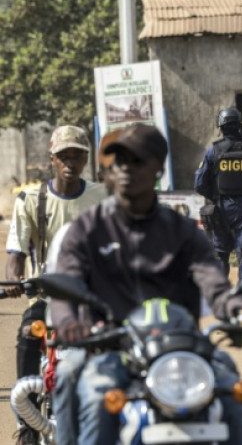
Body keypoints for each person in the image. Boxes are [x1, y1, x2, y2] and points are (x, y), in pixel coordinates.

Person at [49, 124, 242, 445]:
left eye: (139, 162)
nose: (128, 170)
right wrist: (68, 322)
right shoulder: (85, 232)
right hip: (109, 347)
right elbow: (66, 282)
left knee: (231, 393)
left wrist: (236, 308)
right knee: (77, 382)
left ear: (157, 170)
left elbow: (212, 281)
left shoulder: (184, 232)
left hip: (179, 349)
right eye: (119, 163)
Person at [4, 125, 107, 445]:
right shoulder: (31, 199)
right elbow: (17, 252)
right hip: (47, 297)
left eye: (77, 155)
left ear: (86, 159)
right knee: (27, 334)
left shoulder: (102, 197)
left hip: (94, 297)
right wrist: (14, 280)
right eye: (64, 155)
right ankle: (28, 423)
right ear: (52, 159)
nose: (70, 162)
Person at [195, 107, 242, 279]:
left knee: (222, 255)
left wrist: (214, 195)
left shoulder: (212, 151)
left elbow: (199, 184)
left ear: (220, 127)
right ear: (240, 125)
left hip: (220, 208)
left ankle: (222, 299)